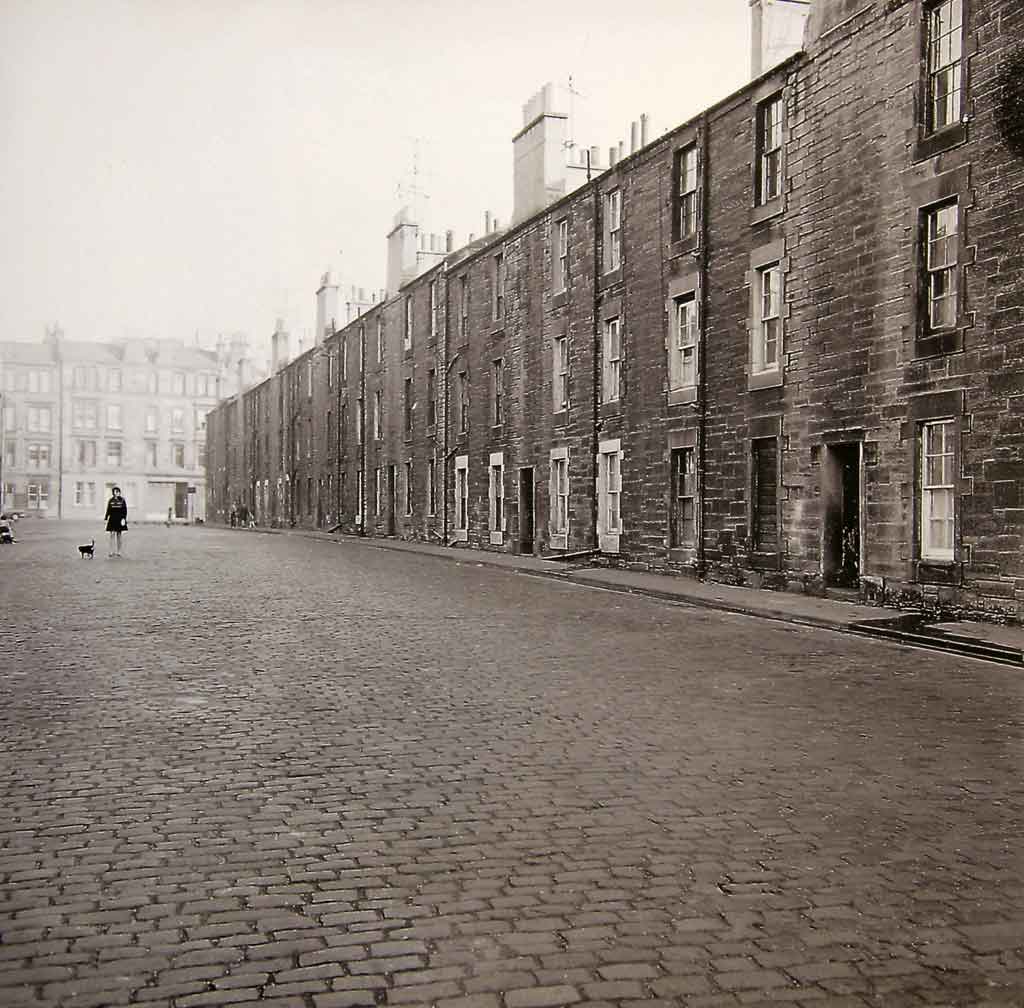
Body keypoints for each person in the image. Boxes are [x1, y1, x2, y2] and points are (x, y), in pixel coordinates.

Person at [104, 486, 128, 557]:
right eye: (115, 492)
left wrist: (124, 519)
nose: (117, 493)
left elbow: (125, 510)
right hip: (112, 519)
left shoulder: (122, 500)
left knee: (119, 535)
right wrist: (106, 517)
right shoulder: (111, 500)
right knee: (112, 535)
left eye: (118, 492)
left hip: (120, 519)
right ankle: (111, 551)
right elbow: (108, 509)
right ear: (113, 493)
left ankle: (119, 551)